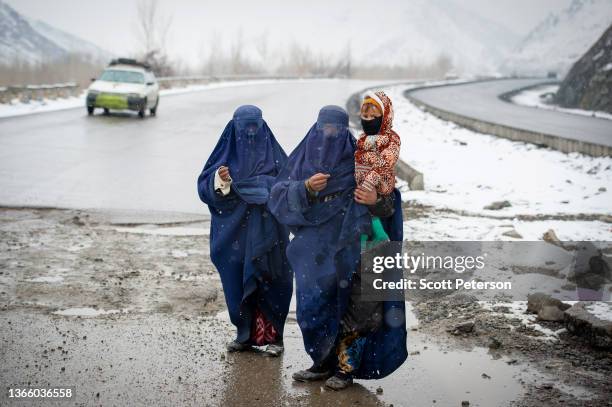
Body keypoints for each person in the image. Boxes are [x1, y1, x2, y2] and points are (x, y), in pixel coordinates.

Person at [268, 105, 407, 390]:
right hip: (313, 253)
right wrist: (305, 189)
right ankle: (320, 363)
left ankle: (345, 369)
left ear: (347, 132)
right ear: (316, 128)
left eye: (337, 129)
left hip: (353, 249)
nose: (330, 134)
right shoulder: (302, 160)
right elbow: (278, 196)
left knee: (354, 311)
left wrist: (373, 201)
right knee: (312, 309)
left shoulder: (362, 163)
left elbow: (389, 201)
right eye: (325, 128)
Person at [197, 105, 292, 356]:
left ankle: (274, 337)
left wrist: (263, 187)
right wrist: (222, 181)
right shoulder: (224, 156)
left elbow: (288, 185)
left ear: (262, 126)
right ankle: (244, 334)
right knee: (237, 281)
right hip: (234, 232)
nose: (250, 133)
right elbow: (205, 188)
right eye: (244, 128)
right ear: (234, 128)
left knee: (271, 279)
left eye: (255, 127)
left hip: (268, 231)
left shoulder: (274, 153)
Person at [355, 90, 401, 246]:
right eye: (365, 117)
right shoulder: (362, 139)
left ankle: (380, 236)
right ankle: (362, 243)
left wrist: (368, 183)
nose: (368, 121)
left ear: (384, 117)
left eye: (373, 117)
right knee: (360, 211)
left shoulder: (391, 139)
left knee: (369, 210)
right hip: (363, 184)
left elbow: (384, 164)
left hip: (381, 184)